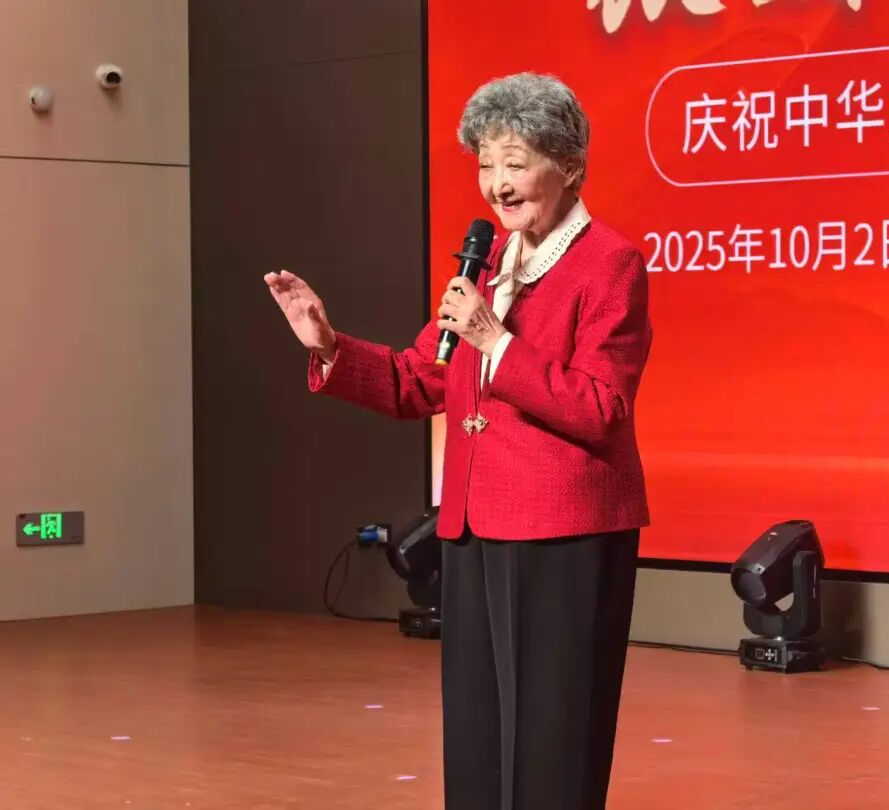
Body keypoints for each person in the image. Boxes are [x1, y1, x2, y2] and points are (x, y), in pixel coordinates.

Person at [265, 72, 651, 810]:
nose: (497, 184)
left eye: (515, 163)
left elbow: (602, 407)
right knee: (478, 736)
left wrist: (495, 341)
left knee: (553, 739)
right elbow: (418, 380)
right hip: (475, 527)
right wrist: (328, 346)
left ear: (570, 166)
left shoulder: (609, 263)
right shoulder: (492, 264)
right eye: (486, 163)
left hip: (562, 530)